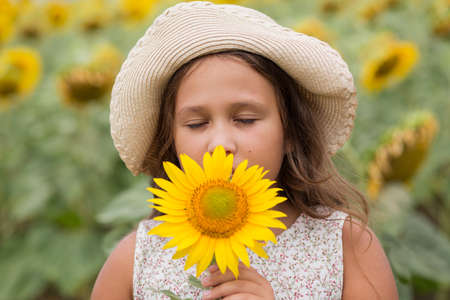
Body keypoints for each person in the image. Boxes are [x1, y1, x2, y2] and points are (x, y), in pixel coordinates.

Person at [91, 1, 398, 299]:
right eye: (197, 124)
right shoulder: (134, 263)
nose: (221, 143)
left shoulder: (348, 248)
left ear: (290, 130)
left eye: (245, 119)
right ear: (172, 142)